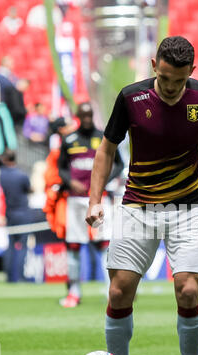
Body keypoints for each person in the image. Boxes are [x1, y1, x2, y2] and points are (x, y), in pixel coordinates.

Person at [86, 36, 198, 355]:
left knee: (188, 291)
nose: (172, 87)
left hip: (188, 207)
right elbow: (106, 150)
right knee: (119, 290)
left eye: (179, 80)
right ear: (154, 66)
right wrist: (94, 200)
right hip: (137, 207)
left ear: (192, 71)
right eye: (165, 79)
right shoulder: (131, 97)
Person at [57, 104, 123, 308]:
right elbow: (60, 167)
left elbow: (119, 164)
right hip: (75, 199)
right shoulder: (68, 140)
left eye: (89, 114)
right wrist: (69, 181)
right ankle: (74, 293)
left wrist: (103, 180)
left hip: (99, 199)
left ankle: (109, 293)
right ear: (78, 116)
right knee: (74, 245)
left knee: (104, 245)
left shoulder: (104, 137)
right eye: (83, 115)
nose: (87, 118)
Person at [0, 150, 32, 282]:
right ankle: (20, 276)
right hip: (22, 213)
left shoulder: (2, 175)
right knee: (22, 245)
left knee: (11, 245)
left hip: (9, 213)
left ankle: (9, 276)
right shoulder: (22, 175)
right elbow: (28, 189)